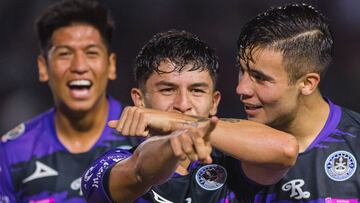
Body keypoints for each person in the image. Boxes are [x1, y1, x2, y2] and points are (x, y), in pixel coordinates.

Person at [81, 30, 299, 203]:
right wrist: (175, 141)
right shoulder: (108, 165)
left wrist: (179, 123)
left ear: (214, 102)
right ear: (139, 100)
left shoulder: (236, 163)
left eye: (196, 90)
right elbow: (139, 172)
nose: (183, 104)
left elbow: (286, 149)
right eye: (167, 90)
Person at [0, 0, 140, 202]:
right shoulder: (11, 153)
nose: (79, 66)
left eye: (91, 53)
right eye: (64, 54)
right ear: (43, 67)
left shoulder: (145, 140)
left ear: (111, 65)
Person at [234, 3, 360, 202]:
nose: (241, 88)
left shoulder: (355, 145)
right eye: (242, 70)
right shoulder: (216, 151)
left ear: (308, 84)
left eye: (260, 78)